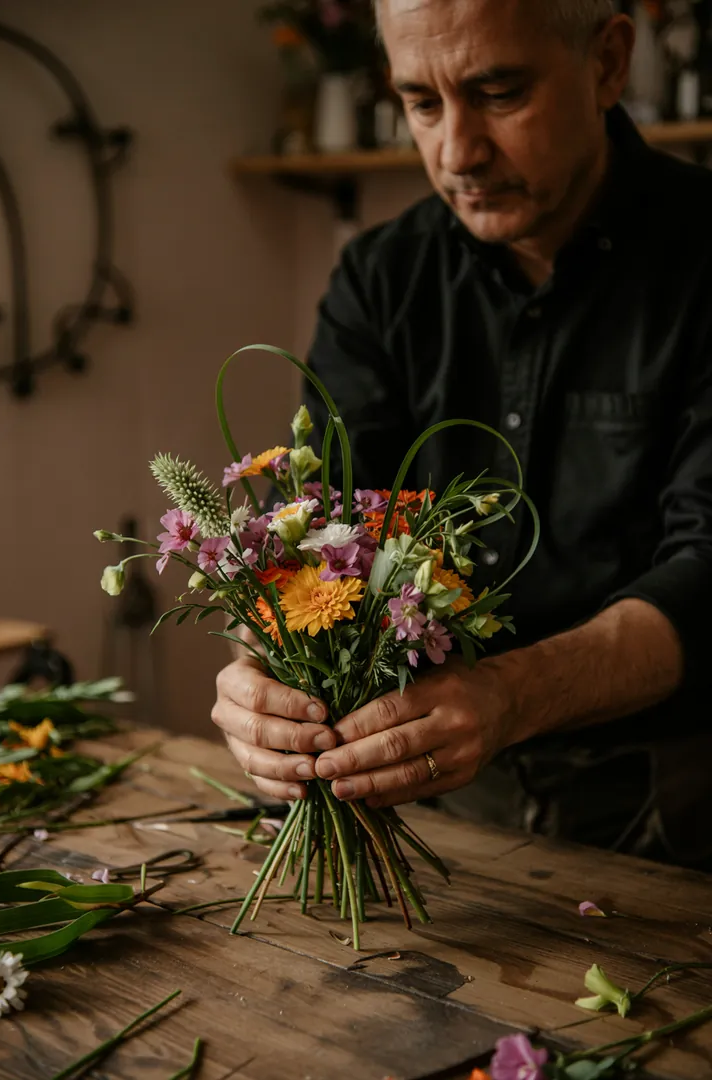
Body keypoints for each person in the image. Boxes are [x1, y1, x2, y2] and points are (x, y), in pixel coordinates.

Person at [213, 0, 712, 867]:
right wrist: (259, 668)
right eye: (423, 102)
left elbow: (709, 568)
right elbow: (315, 527)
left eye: (498, 92)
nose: (456, 153)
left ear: (608, 61)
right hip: (436, 806)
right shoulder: (380, 278)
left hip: (676, 801)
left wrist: (510, 695)